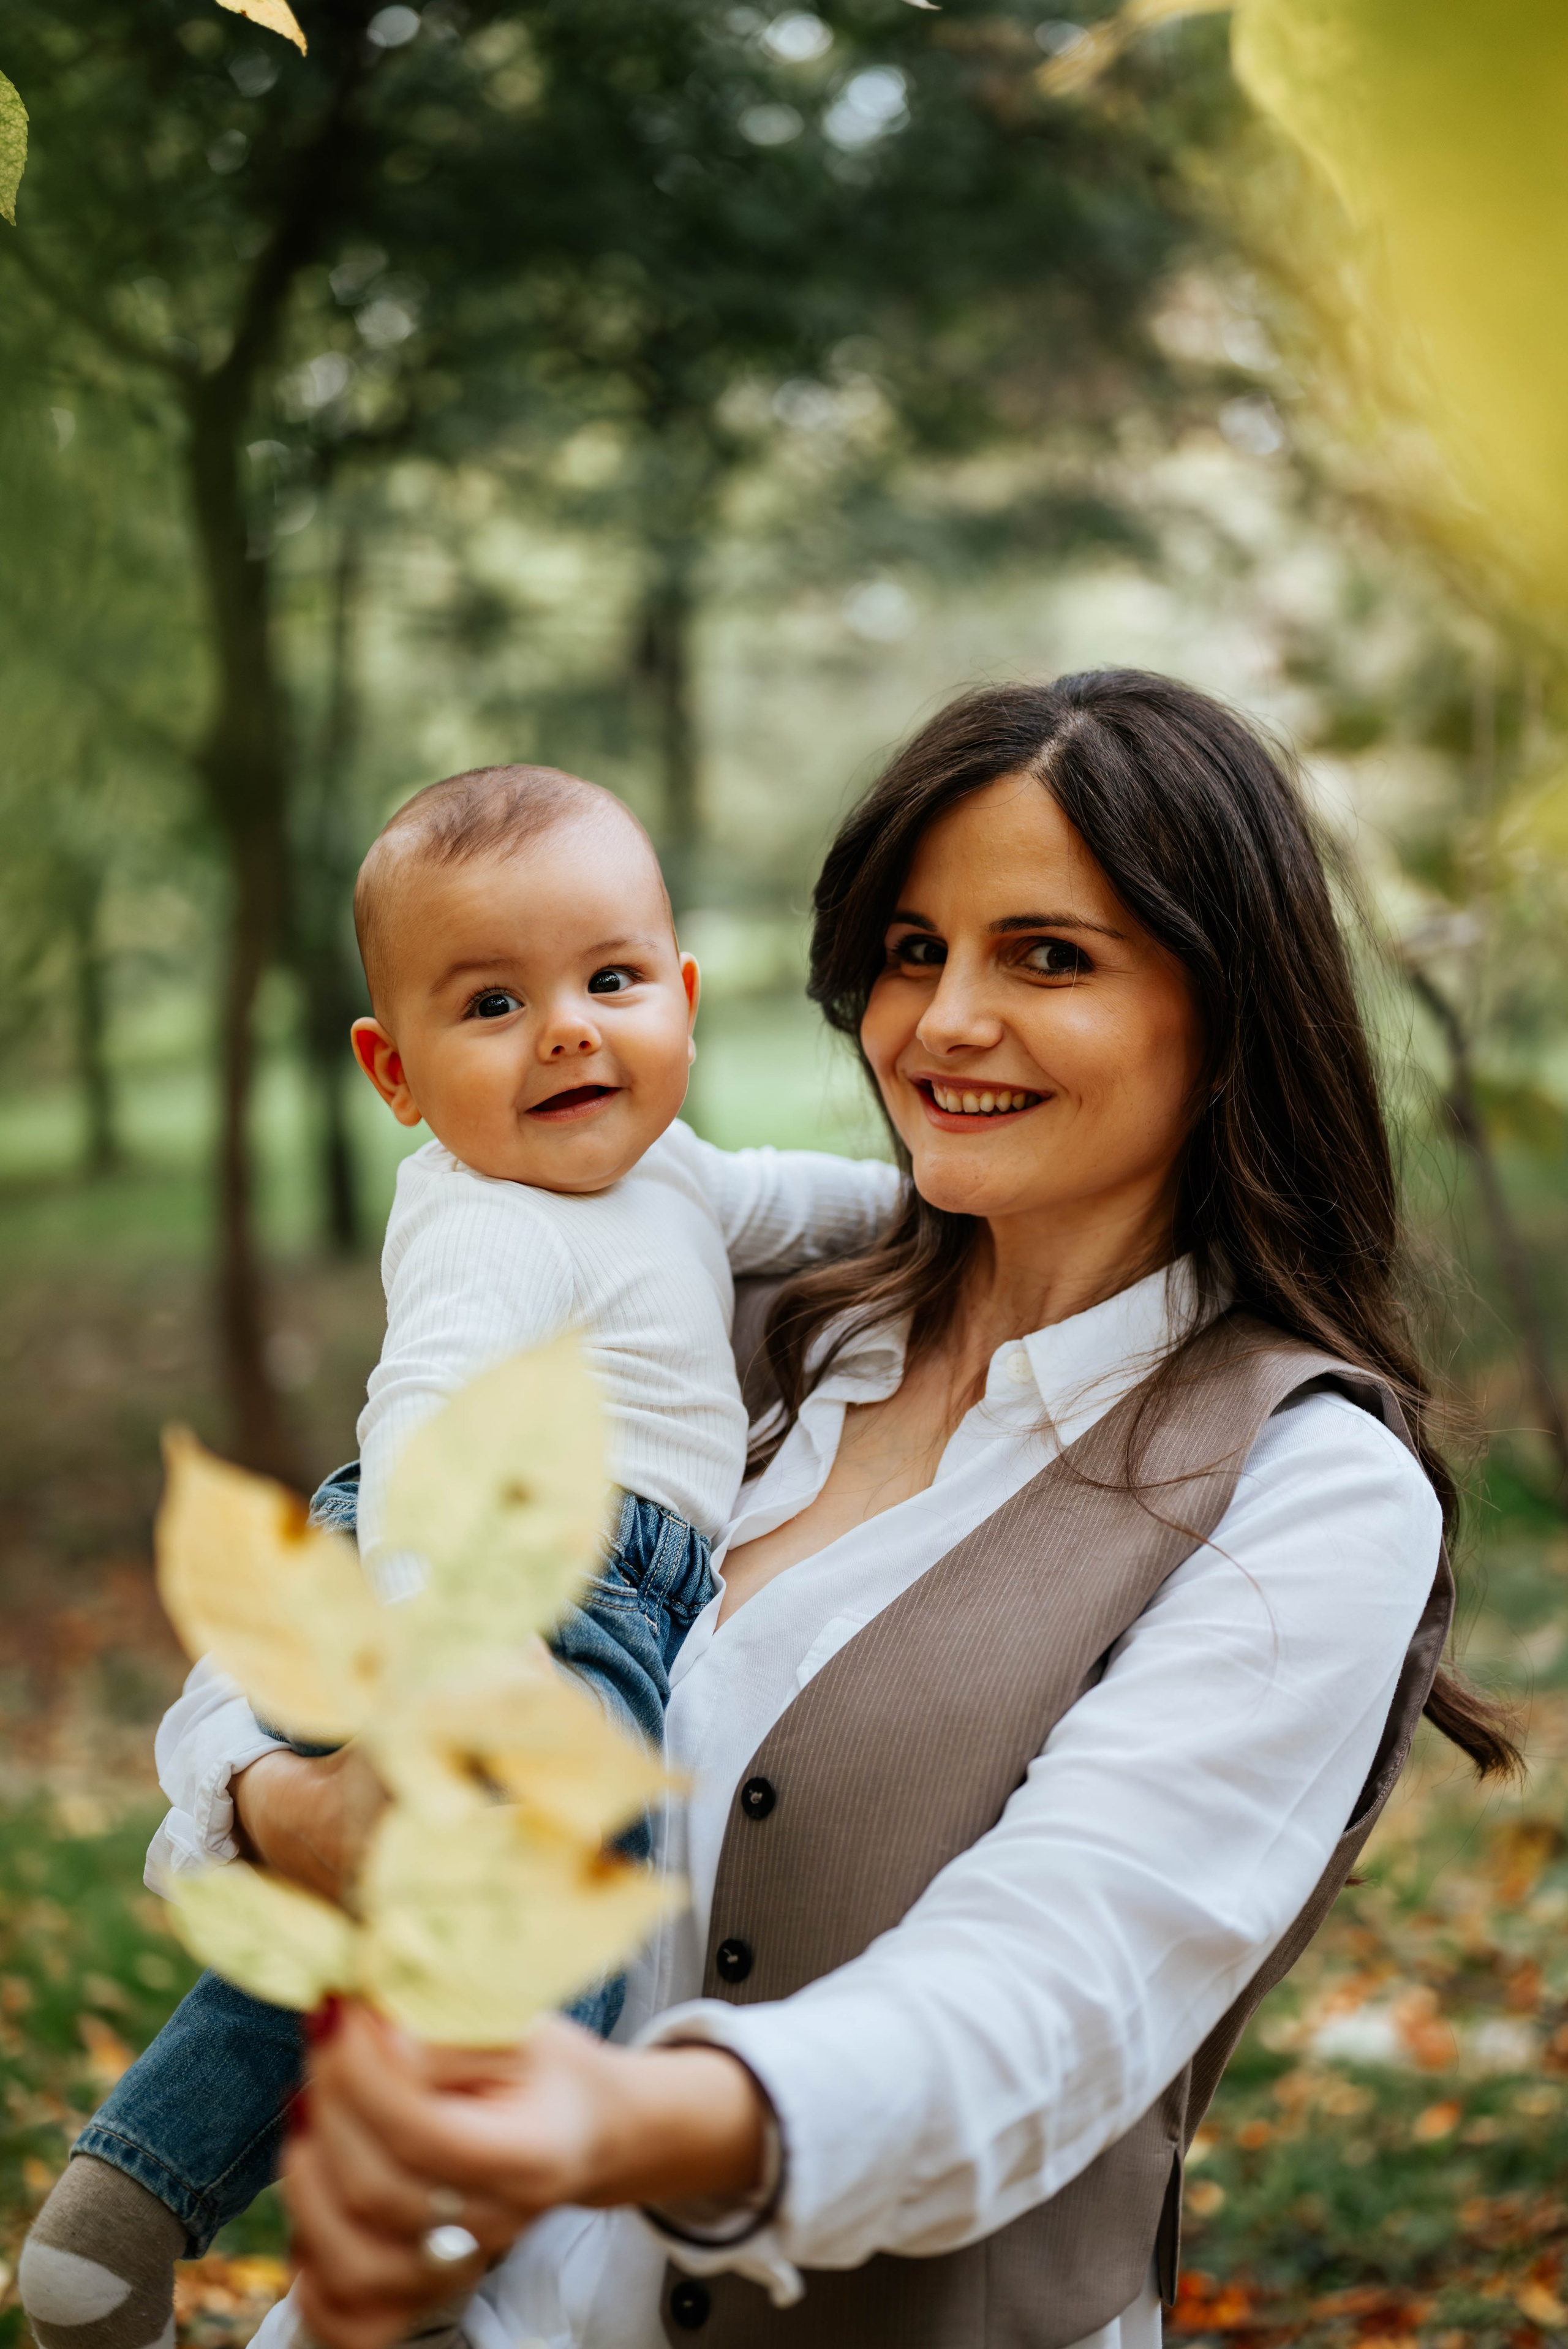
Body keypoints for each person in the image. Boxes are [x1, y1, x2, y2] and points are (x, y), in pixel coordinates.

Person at [158, 675, 1521, 2349]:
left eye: (1049, 955)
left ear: (1227, 1009)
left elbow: (1049, 1999)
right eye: (912, 949)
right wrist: (283, 1798)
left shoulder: (1303, 1486)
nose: (944, 1021)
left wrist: (627, 2119)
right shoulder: (740, 1323)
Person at [17, 765, 899, 2349]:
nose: (568, 1027)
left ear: (681, 1000)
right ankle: (433, 2253)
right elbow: (426, 1412)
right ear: (394, 1068)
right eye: (493, 1002)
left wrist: (936, 1211)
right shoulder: (492, 1220)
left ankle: (120, 2207)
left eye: (611, 980)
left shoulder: (672, 1170)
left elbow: (803, 1203)